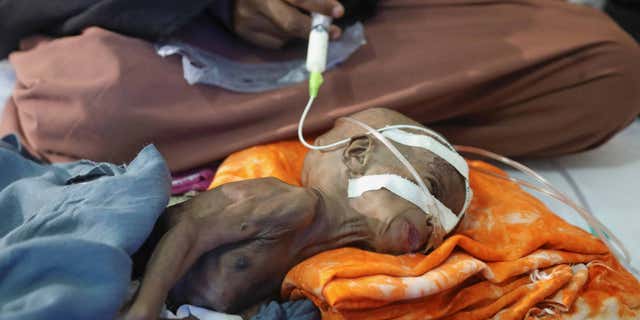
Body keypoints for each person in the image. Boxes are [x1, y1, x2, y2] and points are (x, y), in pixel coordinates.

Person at [0, 0, 639, 172]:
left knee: (607, 65)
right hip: (152, 31)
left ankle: (346, 132)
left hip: (350, 26)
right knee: (79, 109)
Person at [124, 108, 467, 318]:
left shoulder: (322, 268)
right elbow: (189, 233)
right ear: (359, 155)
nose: (431, 221)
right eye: (432, 189)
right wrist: (144, 307)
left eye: (443, 225)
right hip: (130, 262)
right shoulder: (298, 205)